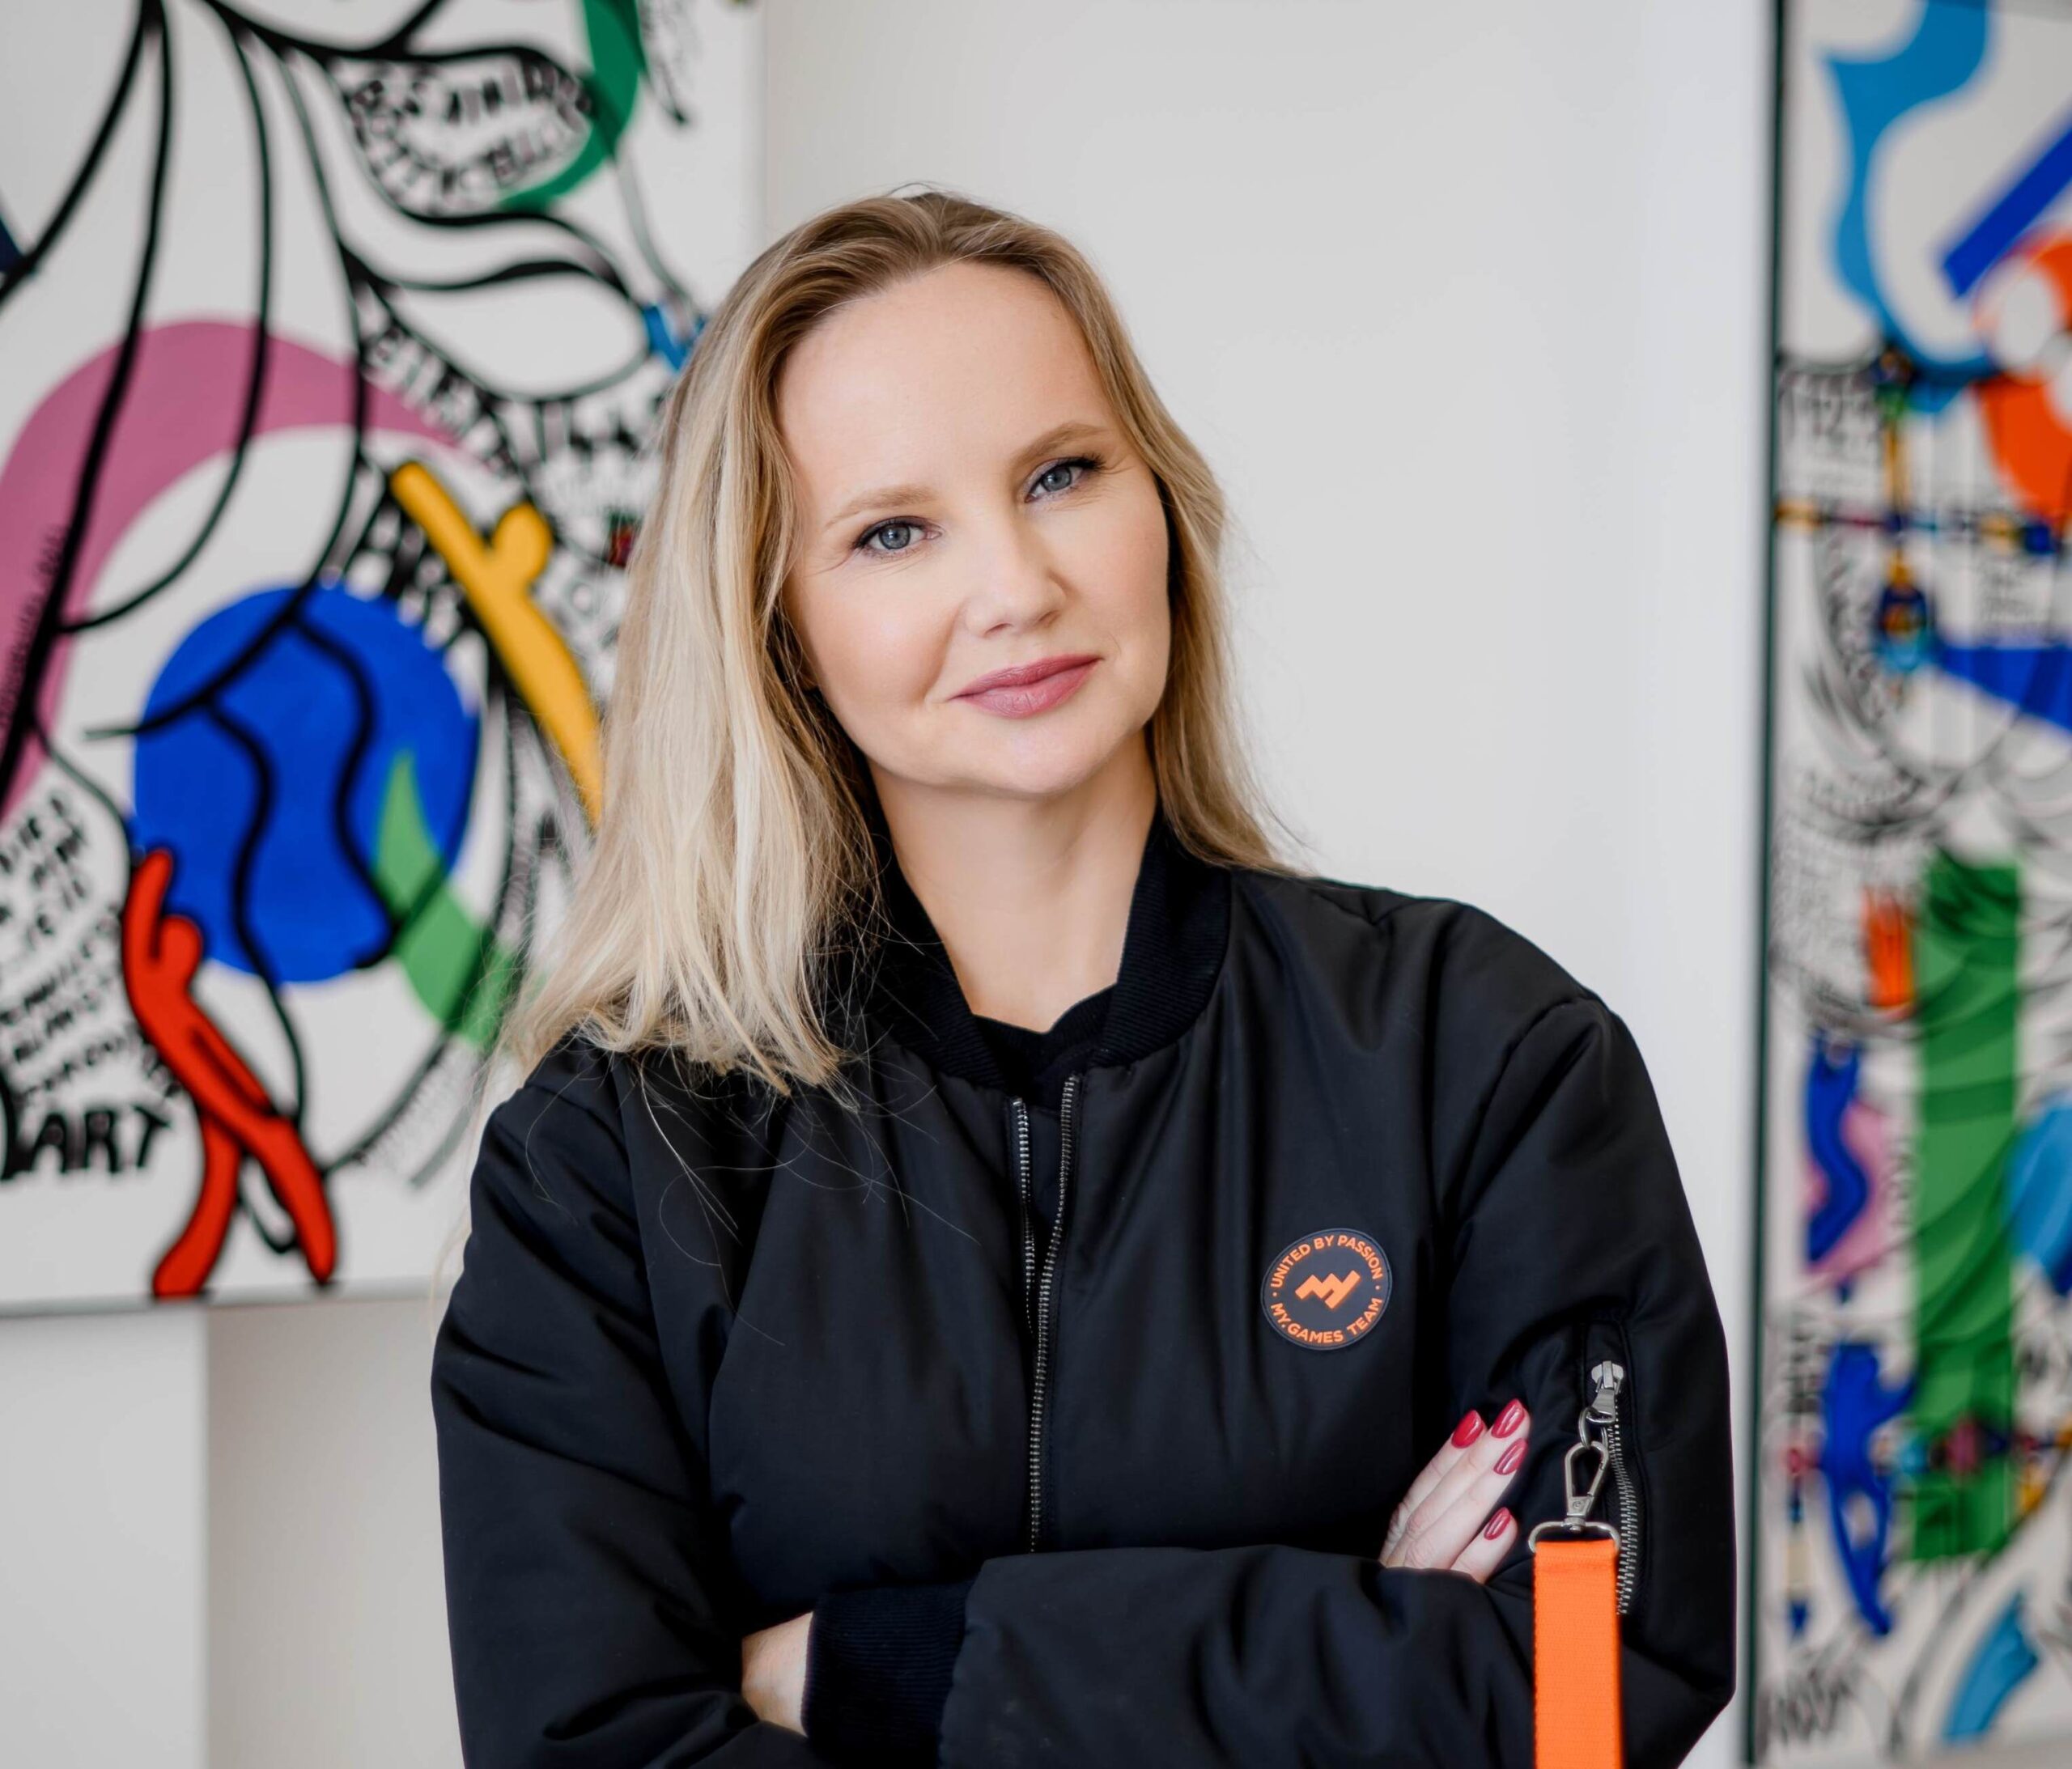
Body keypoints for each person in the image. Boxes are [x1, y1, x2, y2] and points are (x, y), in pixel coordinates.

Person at [428, 186, 1735, 1768]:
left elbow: (1594, 1688)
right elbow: (590, 1747)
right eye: (892, 531)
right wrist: (1360, 1637)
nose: (1016, 585)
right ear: (777, 623)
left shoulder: (1486, 1056)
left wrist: (883, 1666)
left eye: (1060, 475)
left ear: (1160, 507)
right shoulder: (613, 1158)